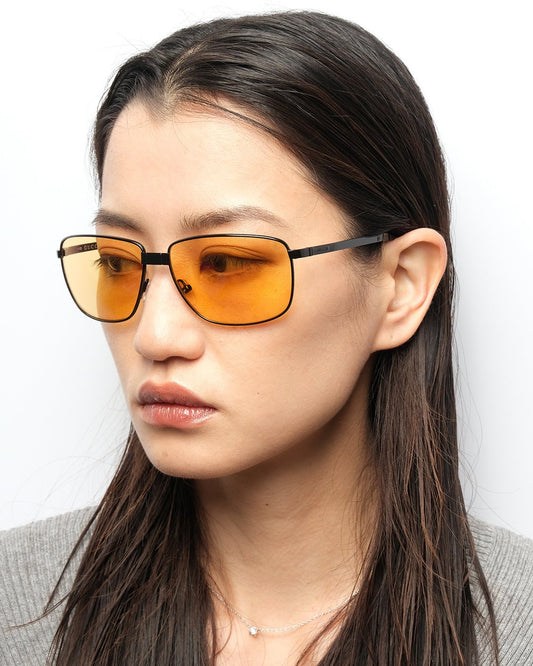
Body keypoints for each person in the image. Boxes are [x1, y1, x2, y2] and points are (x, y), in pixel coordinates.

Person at [1, 10, 532, 666]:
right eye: (117, 262)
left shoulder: (516, 631)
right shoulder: (16, 612)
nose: (155, 335)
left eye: (227, 263)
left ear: (400, 286)